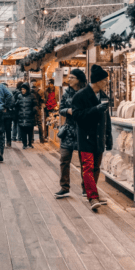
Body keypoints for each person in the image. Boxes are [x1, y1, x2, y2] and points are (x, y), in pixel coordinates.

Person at [71, 65, 113, 210]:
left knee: (96, 168)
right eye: (105, 80)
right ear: (98, 81)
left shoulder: (103, 96)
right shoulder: (80, 96)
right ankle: (92, 196)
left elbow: (106, 117)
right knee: (87, 168)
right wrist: (95, 110)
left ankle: (92, 192)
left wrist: (108, 136)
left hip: (99, 137)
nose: (107, 82)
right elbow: (76, 116)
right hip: (86, 137)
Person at [53, 69, 86, 199]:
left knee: (84, 161)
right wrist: (68, 111)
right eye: (69, 77)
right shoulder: (66, 93)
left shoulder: (86, 93)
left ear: (79, 79)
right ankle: (64, 187)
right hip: (68, 131)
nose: (69, 79)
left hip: (83, 131)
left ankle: (85, 188)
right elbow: (61, 109)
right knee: (64, 160)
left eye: (72, 77)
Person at [15, 83, 39, 149]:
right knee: (23, 131)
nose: (23, 90)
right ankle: (24, 144)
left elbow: (35, 104)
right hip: (22, 116)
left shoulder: (32, 96)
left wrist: (34, 110)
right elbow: (17, 105)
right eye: (22, 89)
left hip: (30, 116)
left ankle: (30, 143)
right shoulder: (19, 96)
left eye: (24, 89)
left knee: (30, 131)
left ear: (27, 89)